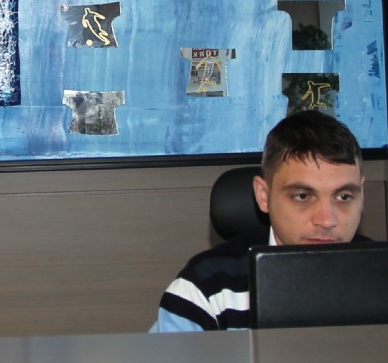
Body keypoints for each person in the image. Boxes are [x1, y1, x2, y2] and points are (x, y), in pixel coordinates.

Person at [152, 110, 367, 332]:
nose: (327, 220)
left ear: (362, 196)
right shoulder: (206, 290)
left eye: (344, 197)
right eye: (302, 196)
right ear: (264, 196)